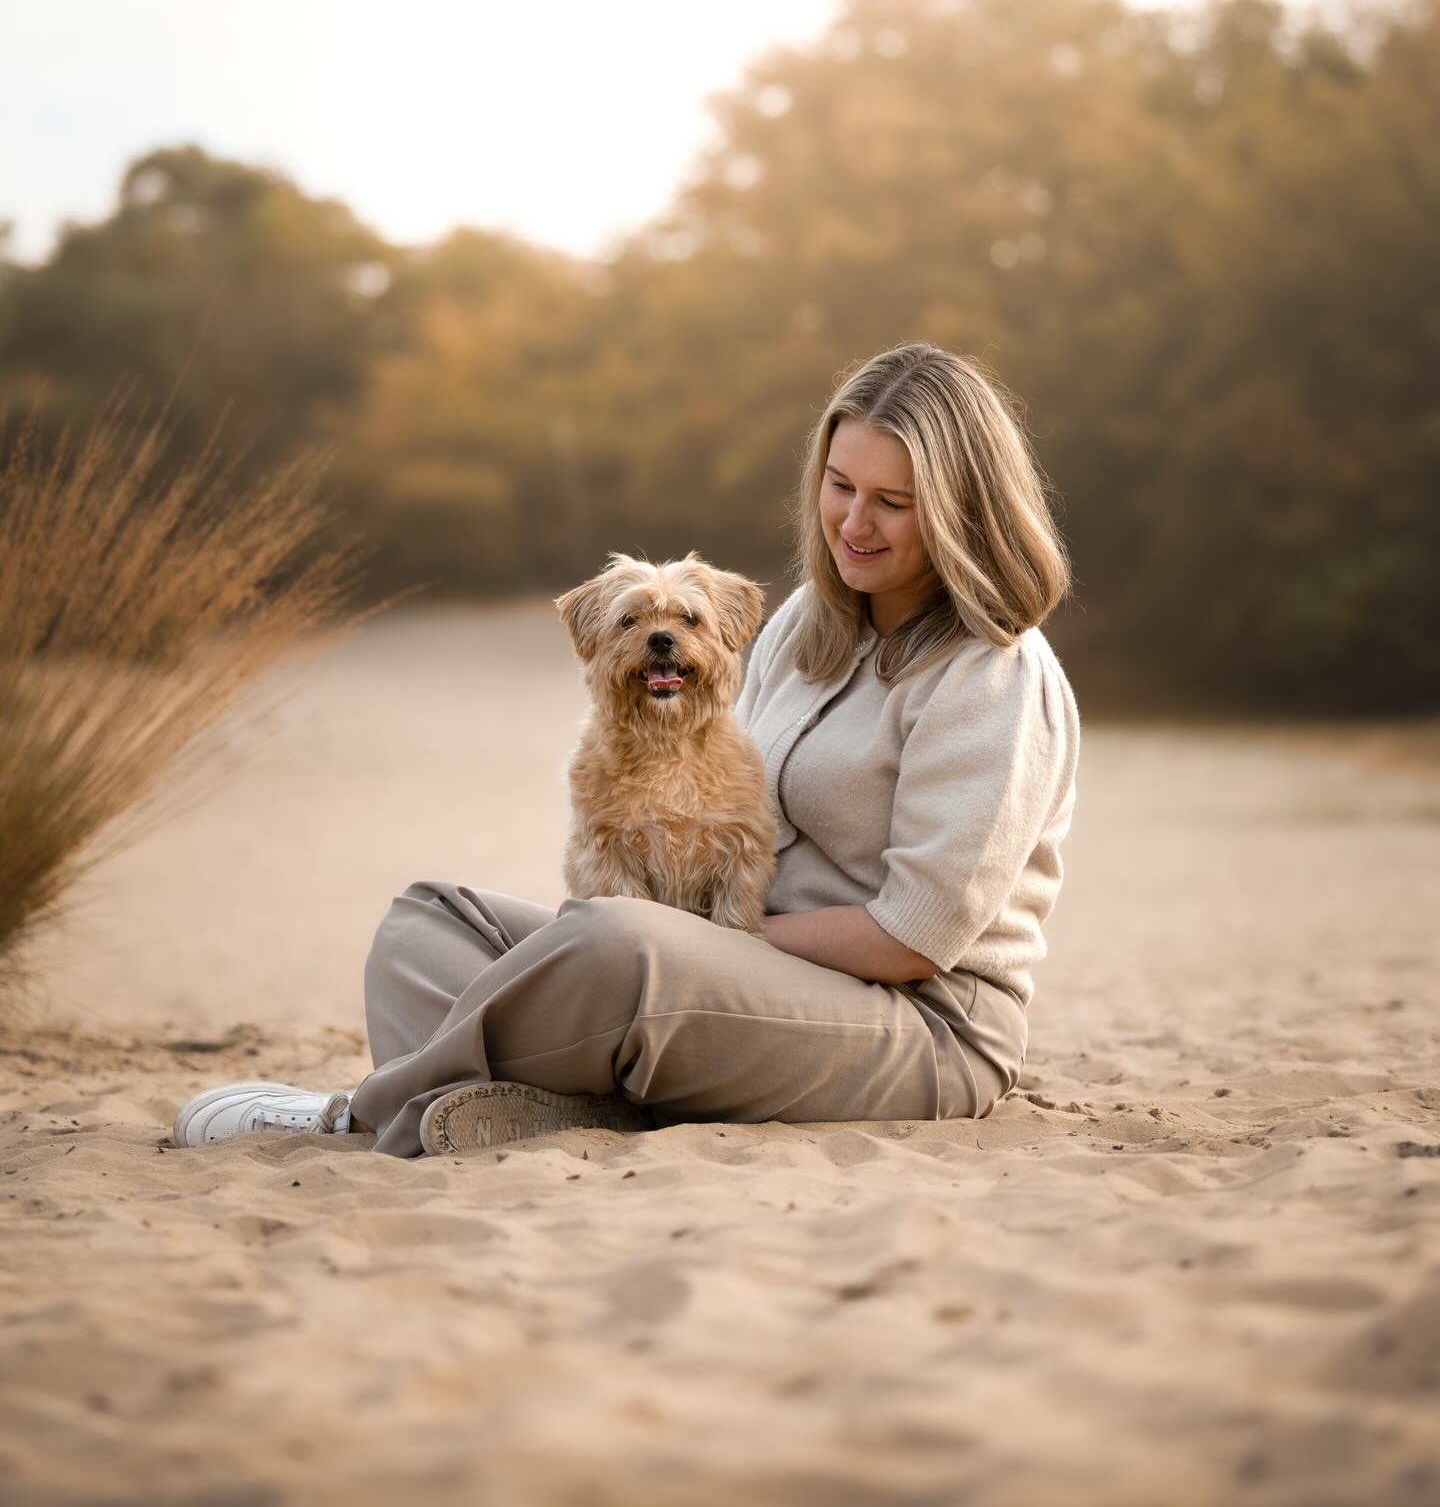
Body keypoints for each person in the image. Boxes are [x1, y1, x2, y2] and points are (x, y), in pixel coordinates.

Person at [173, 343, 1080, 1157]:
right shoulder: (807, 622)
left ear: (961, 508)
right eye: (840, 485)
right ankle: (567, 1109)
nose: (852, 522)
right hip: (730, 972)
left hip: (918, 1028)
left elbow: (913, 937)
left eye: (893, 502)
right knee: (431, 924)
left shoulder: (992, 674)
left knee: (617, 946)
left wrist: (707, 941)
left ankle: (361, 1115)